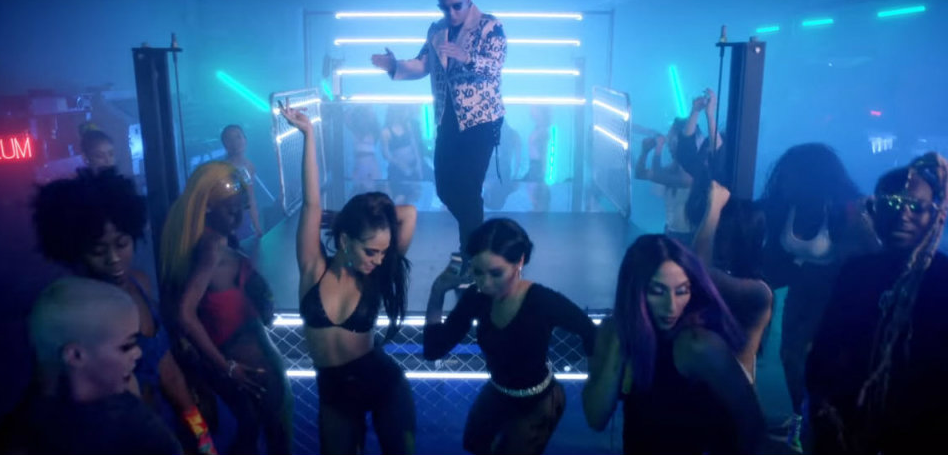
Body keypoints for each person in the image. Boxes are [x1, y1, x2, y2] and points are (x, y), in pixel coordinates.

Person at [31, 169, 218, 454]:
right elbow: (45, 395)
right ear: (74, 251)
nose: (114, 259)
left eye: (122, 244)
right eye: (98, 250)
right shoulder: (74, 311)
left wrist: (203, 439)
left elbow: (170, 375)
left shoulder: (140, 283)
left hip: (161, 431)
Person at [282, 106, 418, 455]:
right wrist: (308, 134)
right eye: (371, 251)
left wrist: (366, 216)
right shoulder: (313, 267)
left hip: (383, 383)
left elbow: (409, 213)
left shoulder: (374, 276)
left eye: (384, 252)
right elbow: (311, 203)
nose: (380, 260)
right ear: (345, 240)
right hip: (334, 394)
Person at [807, 153, 948, 454]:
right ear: (875, 210)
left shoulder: (943, 278)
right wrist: (822, 406)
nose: (903, 215)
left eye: (916, 206)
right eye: (893, 204)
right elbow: (825, 347)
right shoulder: (855, 272)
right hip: (847, 428)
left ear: (938, 215)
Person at [423, 218, 595, 454]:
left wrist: (596, 384)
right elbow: (434, 349)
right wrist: (437, 292)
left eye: (496, 273)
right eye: (478, 272)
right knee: (474, 444)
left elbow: (590, 332)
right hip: (498, 391)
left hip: (539, 401)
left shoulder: (542, 301)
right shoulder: (477, 297)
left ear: (519, 262)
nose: (485, 283)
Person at [582, 235, 766, 454]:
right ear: (634, 291)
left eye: (682, 291)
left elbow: (752, 424)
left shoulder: (696, 345)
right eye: (658, 291)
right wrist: (619, 341)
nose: (671, 306)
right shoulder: (612, 330)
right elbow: (595, 418)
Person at [371, 0, 506, 269]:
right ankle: (479, 240)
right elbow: (422, 65)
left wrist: (466, 56)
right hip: (447, 120)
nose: (452, 13)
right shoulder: (436, 30)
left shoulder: (490, 26)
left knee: (468, 189)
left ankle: (471, 254)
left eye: (457, 6)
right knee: (445, 188)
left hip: (481, 121)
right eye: (445, 7)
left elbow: (494, 68)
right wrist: (394, 66)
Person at [160, 161, 292, 455]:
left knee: (253, 434)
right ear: (207, 206)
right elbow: (184, 313)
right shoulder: (211, 248)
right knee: (265, 438)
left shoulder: (209, 242)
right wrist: (227, 367)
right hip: (243, 371)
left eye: (241, 206)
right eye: (230, 209)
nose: (238, 215)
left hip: (242, 371)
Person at [758, 143, 879, 451]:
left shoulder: (844, 210)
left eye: (789, 176)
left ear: (809, 177)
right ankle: (801, 420)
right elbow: (774, 261)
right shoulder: (786, 208)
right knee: (789, 357)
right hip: (800, 294)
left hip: (833, 298)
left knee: (813, 360)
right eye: (781, 176)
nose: (782, 182)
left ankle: (819, 424)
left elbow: (872, 258)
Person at [0, 277, 183, 455]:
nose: (138, 353)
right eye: (126, 346)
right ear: (75, 355)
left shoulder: (129, 405)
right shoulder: (24, 441)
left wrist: (199, 433)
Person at [692, 180, 773, 382]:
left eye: (717, 233)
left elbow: (699, 271)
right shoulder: (738, 278)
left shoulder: (759, 291)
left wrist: (714, 208)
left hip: (730, 391)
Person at [635, 117, 698, 244]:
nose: (668, 142)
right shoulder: (674, 166)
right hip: (671, 232)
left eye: (671, 138)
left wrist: (658, 148)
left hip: (687, 238)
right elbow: (640, 174)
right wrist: (644, 152)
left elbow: (657, 175)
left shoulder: (690, 173)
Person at [221, 125, 263, 238]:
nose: (235, 142)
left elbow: (251, 198)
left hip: (245, 220)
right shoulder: (222, 169)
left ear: (245, 139)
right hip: (229, 223)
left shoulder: (249, 166)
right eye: (230, 139)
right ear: (225, 145)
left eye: (238, 137)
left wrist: (257, 226)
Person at [381, 106, 425, 205]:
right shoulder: (386, 132)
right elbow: (386, 154)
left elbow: (414, 145)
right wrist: (400, 165)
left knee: (412, 195)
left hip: (412, 166)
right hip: (397, 170)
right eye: (402, 111)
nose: (405, 113)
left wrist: (418, 164)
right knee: (400, 196)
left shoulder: (407, 126)